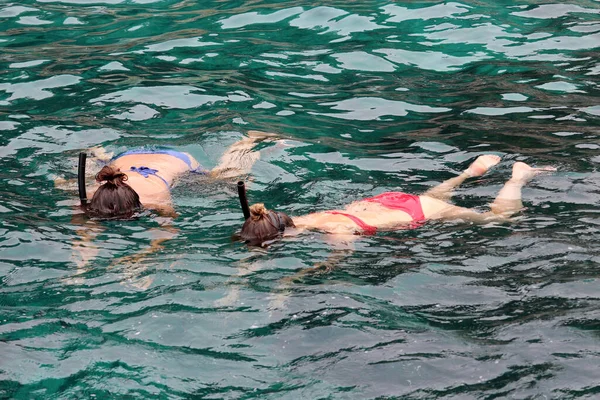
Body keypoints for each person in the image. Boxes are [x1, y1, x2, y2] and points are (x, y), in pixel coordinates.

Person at [240, 155, 557, 246]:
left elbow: (333, 263)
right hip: (387, 202)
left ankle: (518, 176)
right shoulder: (301, 218)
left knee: (497, 219)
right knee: (430, 198)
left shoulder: (334, 232)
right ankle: (464, 174)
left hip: (412, 213)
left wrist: (292, 282)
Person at [72, 130, 276, 219]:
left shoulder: (157, 198)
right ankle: (98, 153)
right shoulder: (94, 192)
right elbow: (81, 228)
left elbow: (168, 229)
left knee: (222, 178)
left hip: (174, 159)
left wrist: (143, 256)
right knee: (68, 182)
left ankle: (247, 144)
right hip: (126, 158)